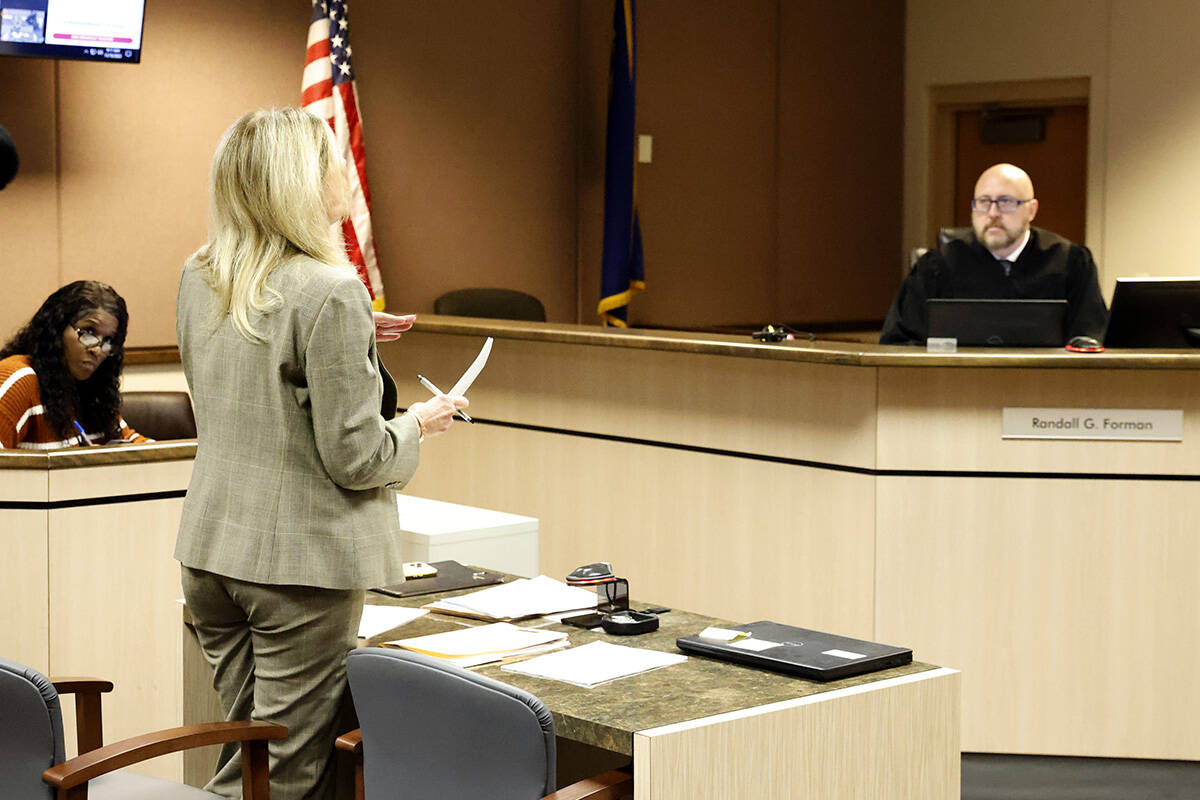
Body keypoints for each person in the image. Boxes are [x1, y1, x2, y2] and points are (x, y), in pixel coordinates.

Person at [175, 108, 466, 800]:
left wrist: (355, 333)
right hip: (297, 570)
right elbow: (358, 456)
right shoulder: (331, 291)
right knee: (282, 775)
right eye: (336, 162)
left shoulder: (200, 272)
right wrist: (417, 424)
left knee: (242, 761)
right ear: (305, 182)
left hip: (213, 553)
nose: (346, 175)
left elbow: (253, 375)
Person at [880, 163, 1108, 344]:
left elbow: (1089, 338)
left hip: (1046, 390)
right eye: (983, 202)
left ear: (1032, 209)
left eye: (1005, 202)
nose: (992, 213)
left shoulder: (1069, 261)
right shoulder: (938, 266)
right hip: (956, 389)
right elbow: (900, 340)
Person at [0, 281, 148, 448]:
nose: (97, 350)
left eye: (108, 340)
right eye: (89, 332)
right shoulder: (19, 378)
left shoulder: (92, 391)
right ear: (56, 328)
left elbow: (135, 445)